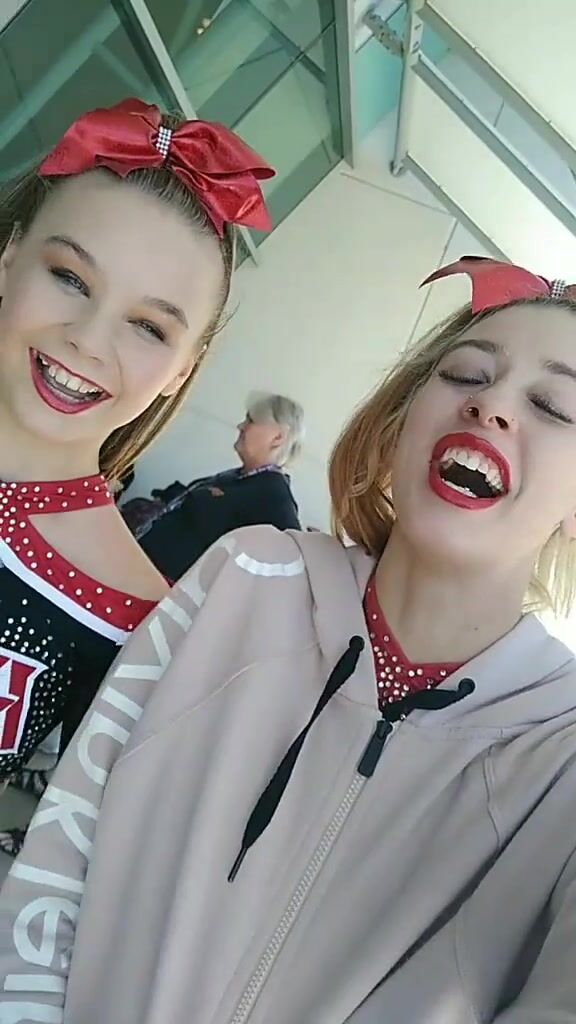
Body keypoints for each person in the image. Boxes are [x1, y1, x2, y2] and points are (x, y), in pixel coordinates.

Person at [4, 256, 576, 1023]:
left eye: (554, 406)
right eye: (467, 374)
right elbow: (62, 846)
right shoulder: (245, 578)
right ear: (399, 423)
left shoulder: (560, 757)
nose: (491, 405)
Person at [0, 96, 273, 853]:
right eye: (70, 277)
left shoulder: (135, 619)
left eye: (149, 327)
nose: (88, 340)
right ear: (9, 256)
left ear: (182, 369)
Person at [128, 392, 304, 578]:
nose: (241, 426)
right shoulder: (238, 477)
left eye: (250, 420)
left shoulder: (273, 495)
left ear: (278, 437)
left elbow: (289, 564)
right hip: (141, 565)